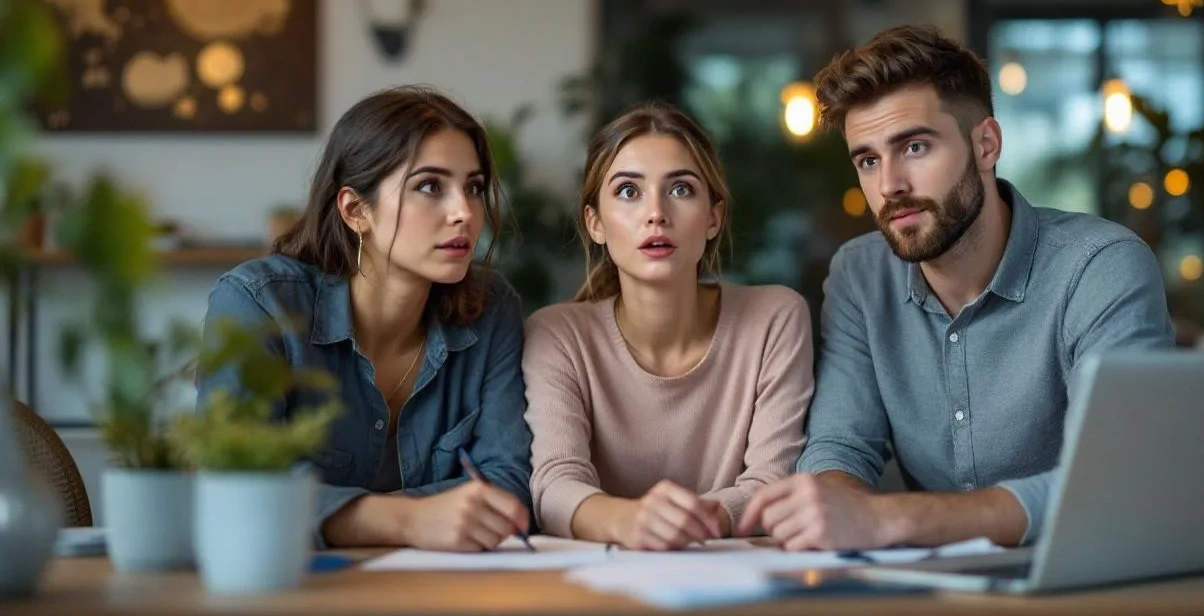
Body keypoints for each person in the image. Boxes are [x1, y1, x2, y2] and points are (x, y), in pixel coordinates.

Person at [740, 24, 1176, 550]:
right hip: (954, 588)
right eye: (868, 160)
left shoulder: (1101, 267)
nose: (889, 186)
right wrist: (834, 506)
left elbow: (1121, 476)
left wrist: (893, 520)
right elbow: (840, 446)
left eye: (916, 147)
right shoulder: (860, 276)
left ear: (986, 144)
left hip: (1121, 574)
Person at [197, 85, 532, 551]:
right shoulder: (260, 302)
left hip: (442, 589)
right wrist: (405, 520)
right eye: (430, 186)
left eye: (473, 188)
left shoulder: (491, 309)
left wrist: (346, 515)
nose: (465, 213)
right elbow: (236, 485)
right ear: (356, 211)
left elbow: (508, 484)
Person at [522, 101, 815, 550]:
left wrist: (691, 522)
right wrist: (630, 521)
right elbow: (556, 484)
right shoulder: (558, 335)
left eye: (680, 190)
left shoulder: (775, 318)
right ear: (595, 223)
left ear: (713, 217)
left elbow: (770, 482)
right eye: (627, 192)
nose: (656, 213)